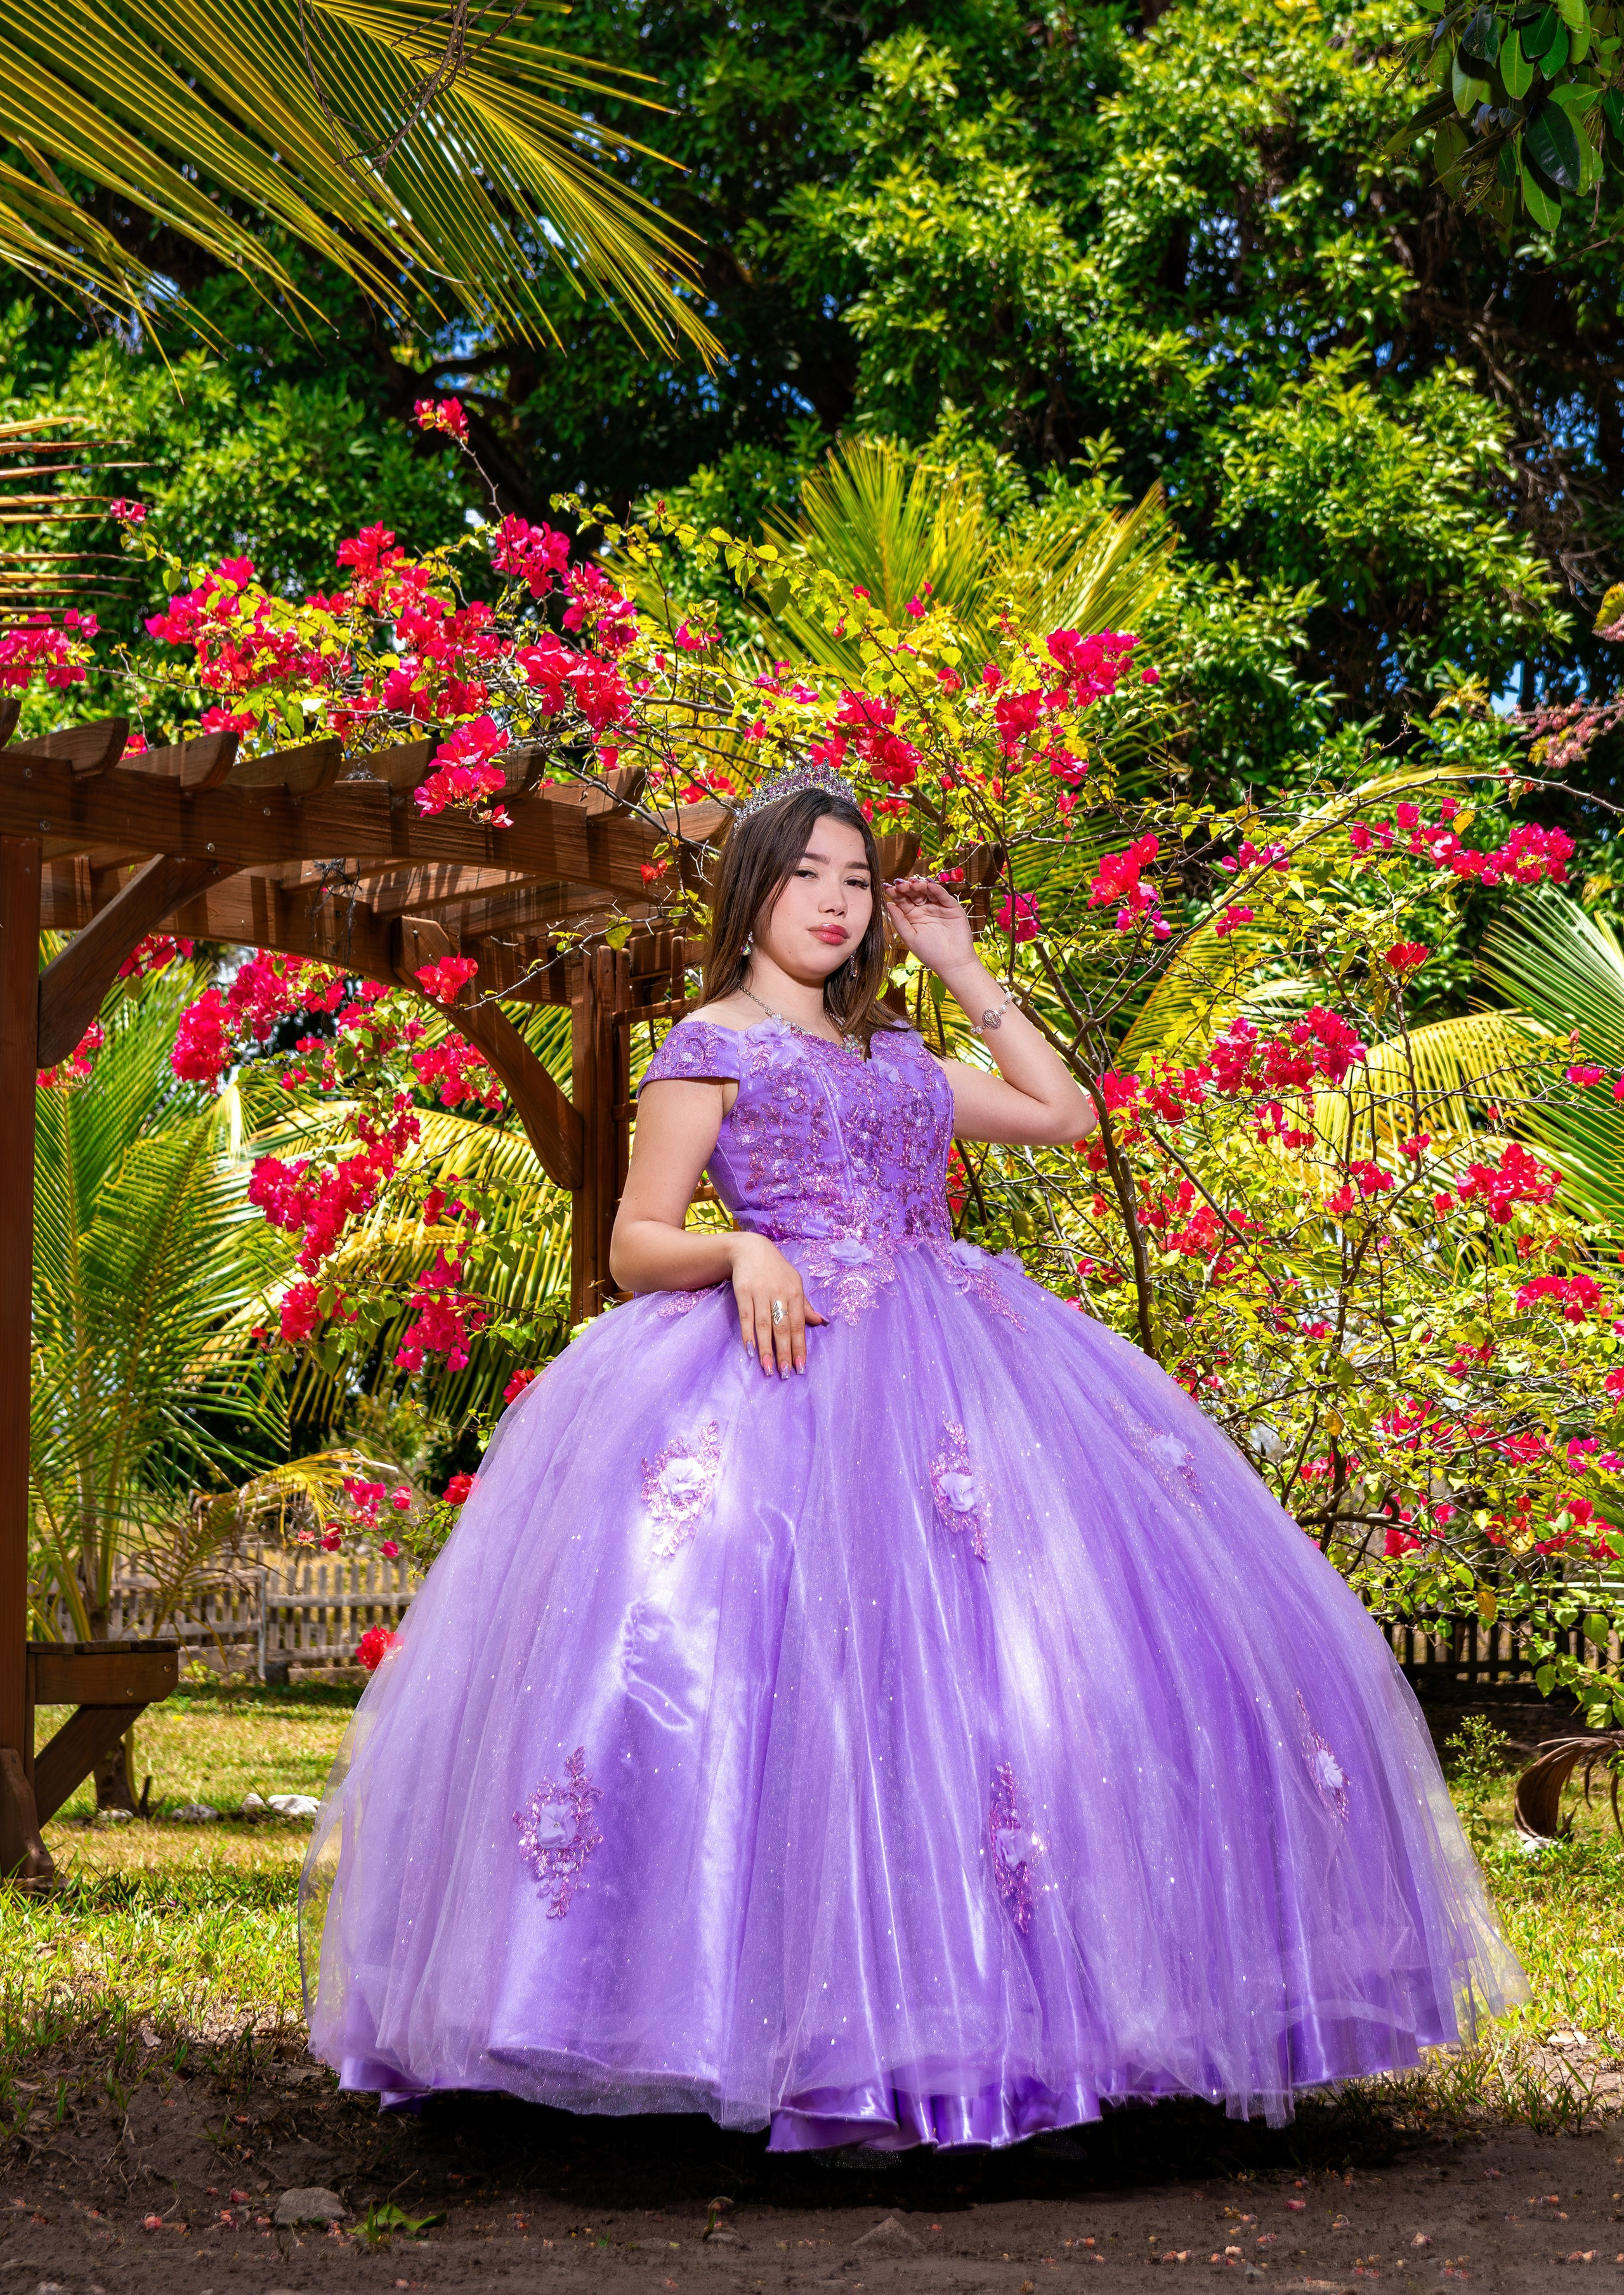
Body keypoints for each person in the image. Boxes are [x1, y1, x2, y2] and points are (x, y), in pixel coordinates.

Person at [301, 763, 1524, 2152]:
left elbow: (1064, 1114)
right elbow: (634, 1243)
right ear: (751, 891)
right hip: (785, 1368)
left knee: (1020, 1678)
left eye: (856, 881)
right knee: (766, 1685)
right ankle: (748, 2027)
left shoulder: (894, 1057)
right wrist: (740, 1247)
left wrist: (961, 966)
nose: (833, 904)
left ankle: (1006, 2025)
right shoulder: (708, 1045)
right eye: (804, 876)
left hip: (964, 1367)